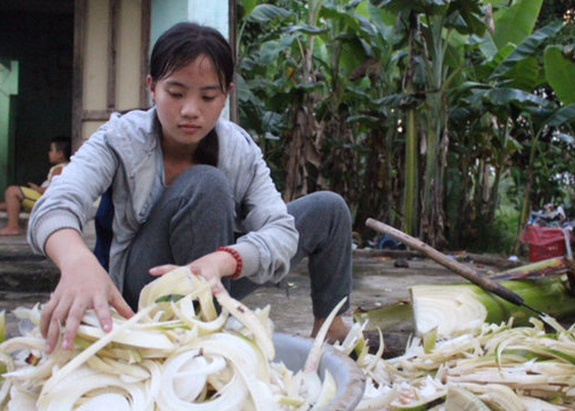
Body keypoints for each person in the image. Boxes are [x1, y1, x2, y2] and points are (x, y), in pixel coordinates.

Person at [27, 22, 353, 354]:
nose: (190, 111)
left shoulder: (239, 149)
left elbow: (281, 231)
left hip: (211, 275)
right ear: (152, 88)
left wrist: (224, 261)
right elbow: (55, 206)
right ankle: (201, 344)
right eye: (176, 93)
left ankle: (333, 329)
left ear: (226, 95)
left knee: (328, 210)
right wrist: (78, 262)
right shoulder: (120, 139)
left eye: (208, 96)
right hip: (138, 287)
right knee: (206, 185)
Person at [0, 136, 71, 235]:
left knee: (12, 191)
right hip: (44, 199)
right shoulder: (63, 167)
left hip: (46, 202)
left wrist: (37, 189)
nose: (49, 153)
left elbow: (53, 190)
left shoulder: (59, 169)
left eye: (51, 150)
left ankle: (12, 227)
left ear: (60, 154)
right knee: (16, 201)